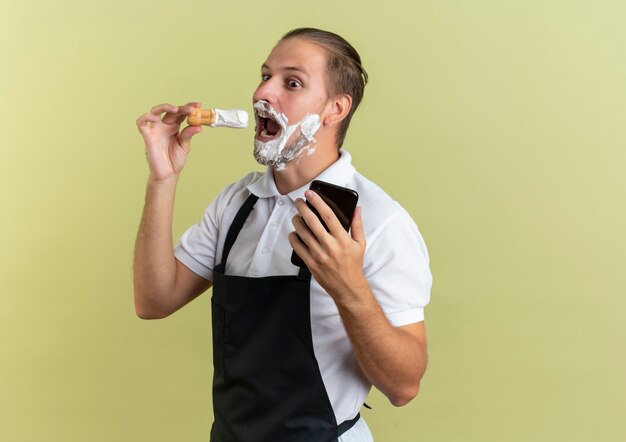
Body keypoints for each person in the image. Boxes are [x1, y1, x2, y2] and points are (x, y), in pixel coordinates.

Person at [134, 27, 432, 442]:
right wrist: (162, 179)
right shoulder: (237, 203)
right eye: (264, 75)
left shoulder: (379, 220)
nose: (262, 93)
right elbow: (154, 300)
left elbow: (404, 386)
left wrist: (348, 286)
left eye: (291, 82)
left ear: (335, 109)